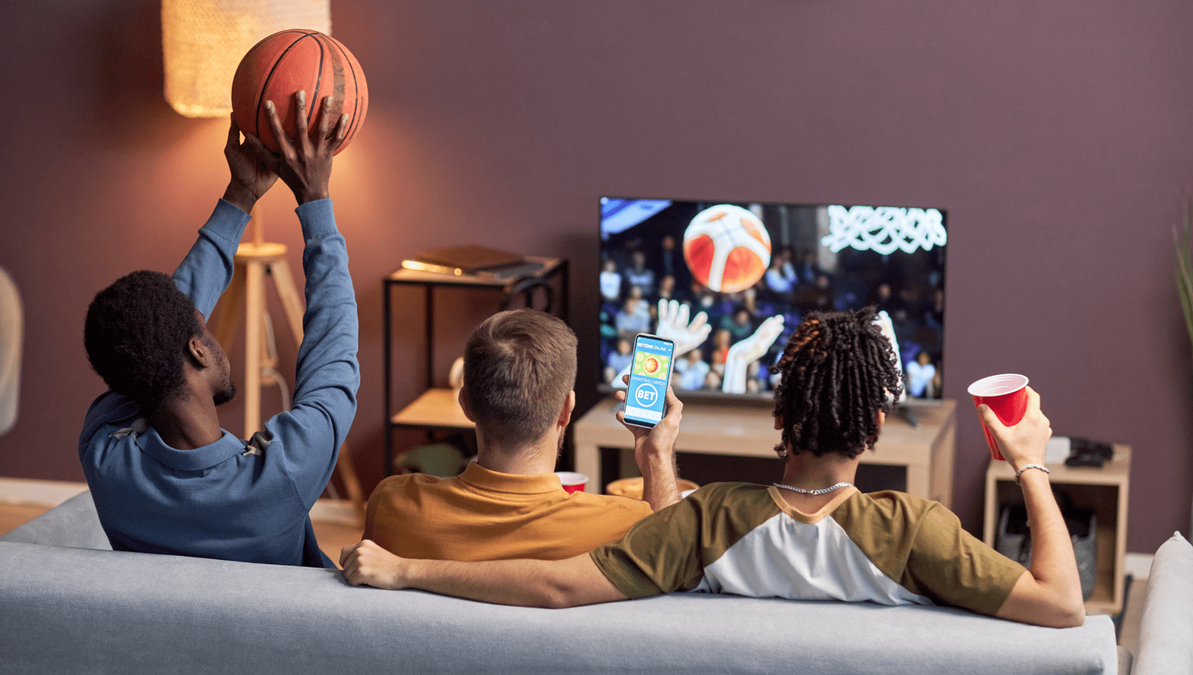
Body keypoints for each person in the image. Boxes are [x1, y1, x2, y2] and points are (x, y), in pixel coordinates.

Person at [341, 307, 1086, 628]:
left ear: (776, 417)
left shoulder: (707, 518)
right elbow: (1062, 604)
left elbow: (561, 582)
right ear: (879, 429)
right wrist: (1031, 465)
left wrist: (406, 569)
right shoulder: (916, 528)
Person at [80, 92, 357, 568]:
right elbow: (332, 354)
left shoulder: (104, 454)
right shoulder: (285, 476)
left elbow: (163, 327)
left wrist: (243, 194)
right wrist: (314, 199)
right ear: (198, 349)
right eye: (201, 326)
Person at [363, 309, 682, 562]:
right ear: (566, 410)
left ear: (466, 404)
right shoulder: (623, 526)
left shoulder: (393, 503)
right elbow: (674, 560)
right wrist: (656, 455)